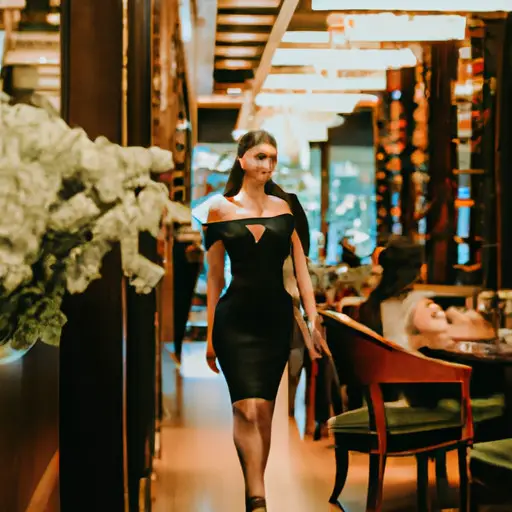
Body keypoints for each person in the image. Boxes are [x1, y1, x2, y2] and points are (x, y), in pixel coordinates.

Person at [203, 130, 328, 512]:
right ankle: (255, 494)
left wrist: (312, 318)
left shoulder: (286, 206)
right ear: (241, 160)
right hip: (233, 320)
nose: (267, 164)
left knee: (265, 410)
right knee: (245, 407)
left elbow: (301, 269)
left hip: (275, 318)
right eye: (259, 156)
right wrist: (209, 337)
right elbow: (212, 277)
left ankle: (257, 488)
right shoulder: (216, 210)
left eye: (272, 158)